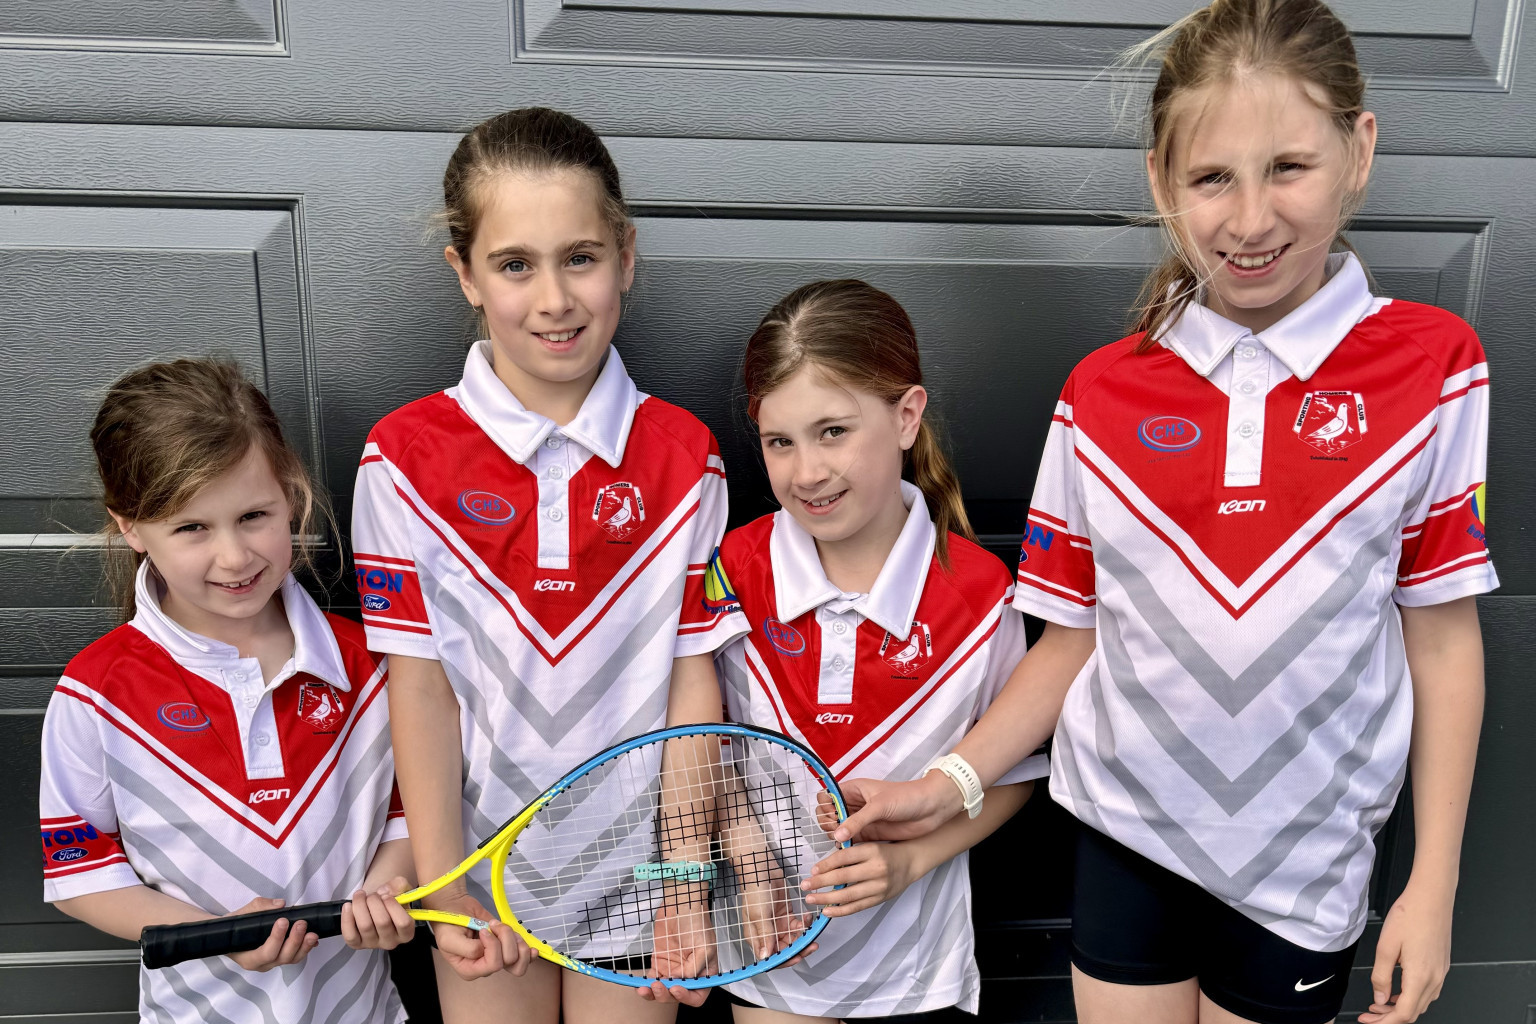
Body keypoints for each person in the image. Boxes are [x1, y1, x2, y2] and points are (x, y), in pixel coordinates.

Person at [826, 3, 1496, 1023]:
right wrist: (948, 779)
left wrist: (1433, 882)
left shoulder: (1434, 366)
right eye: (1212, 177)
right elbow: (1068, 642)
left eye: (1289, 167)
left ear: (1359, 152)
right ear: (1160, 182)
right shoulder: (1101, 391)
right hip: (1126, 840)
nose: (1252, 218)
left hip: (1303, 867)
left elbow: (1442, 641)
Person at [351, 107, 743, 1022]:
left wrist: (682, 877)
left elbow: (693, 687)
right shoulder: (401, 459)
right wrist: (448, 879)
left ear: (626, 258)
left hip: (640, 878)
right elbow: (420, 687)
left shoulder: (687, 456)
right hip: (485, 873)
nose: (554, 299)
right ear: (465, 275)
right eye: (514, 264)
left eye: (581, 257)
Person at [710, 279, 1049, 1021]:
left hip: (916, 970)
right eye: (780, 442)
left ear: (906, 416)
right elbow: (707, 742)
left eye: (834, 431)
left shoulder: (981, 588)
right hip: (771, 957)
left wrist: (910, 861)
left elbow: (1013, 772)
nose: (807, 472)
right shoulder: (731, 570)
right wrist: (742, 849)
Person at [40, 358, 415, 1023]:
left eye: (253, 516)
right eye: (192, 528)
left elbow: (408, 814)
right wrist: (214, 936)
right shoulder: (95, 694)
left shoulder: (372, 664)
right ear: (129, 526)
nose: (235, 557)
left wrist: (387, 890)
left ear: (290, 492)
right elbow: (81, 878)